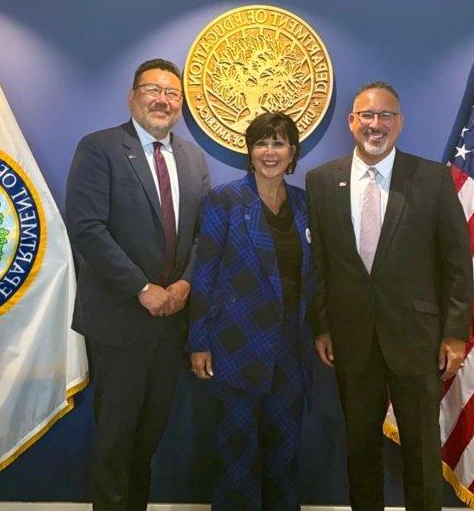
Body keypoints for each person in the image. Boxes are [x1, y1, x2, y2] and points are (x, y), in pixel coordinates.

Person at [306, 82, 473, 510]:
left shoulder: (432, 179)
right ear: (351, 122)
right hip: (351, 338)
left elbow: (456, 261)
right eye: (366, 116)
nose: (374, 125)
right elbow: (321, 264)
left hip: (417, 338)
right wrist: (322, 325)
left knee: (420, 450)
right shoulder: (321, 181)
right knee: (359, 448)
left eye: (384, 116)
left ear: (399, 123)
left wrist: (455, 333)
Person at [66, 58, 210, 511]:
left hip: (171, 323)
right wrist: (142, 289)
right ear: (132, 97)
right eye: (152, 89)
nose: (162, 99)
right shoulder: (100, 148)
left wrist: (186, 282)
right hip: (120, 320)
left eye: (171, 93)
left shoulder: (192, 158)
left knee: (150, 434)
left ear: (180, 105)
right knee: (116, 436)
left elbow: (204, 232)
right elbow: (87, 228)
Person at [187, 112, 314, 511]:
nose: (269, 152)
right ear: (250, 150)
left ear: (293, 152)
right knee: (236, 450)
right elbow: (204, 274)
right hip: (238, 342)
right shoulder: (224, 199)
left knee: (285, 448)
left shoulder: (301, 202)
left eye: (278, 143)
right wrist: (199, 340)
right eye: (261, 143)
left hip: (290, 346)